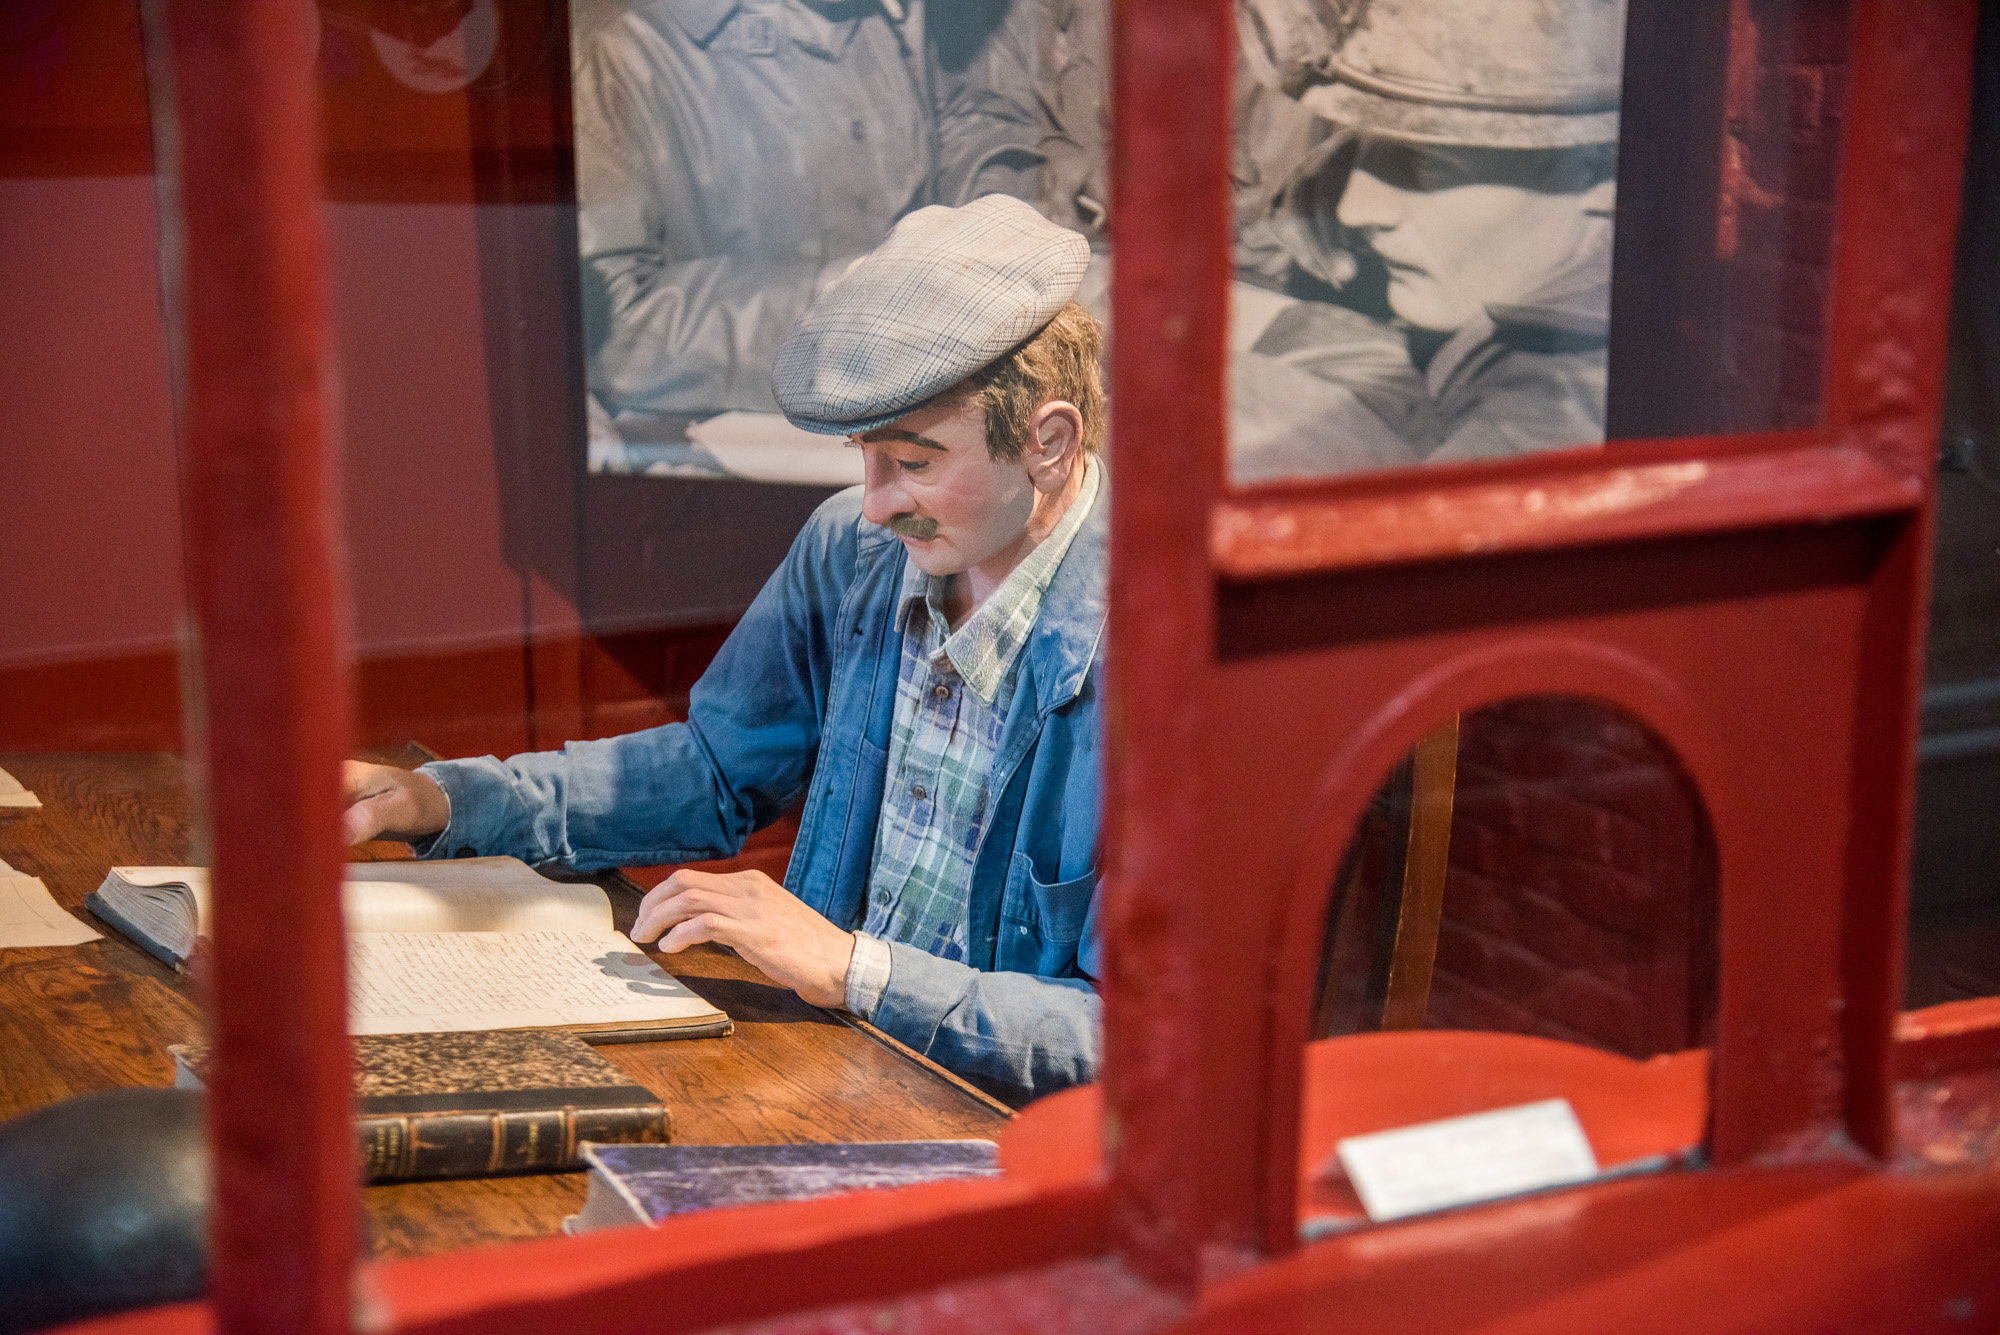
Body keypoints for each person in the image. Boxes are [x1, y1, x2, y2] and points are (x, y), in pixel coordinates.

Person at [343, 196, 1107, 1103]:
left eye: (914, 462)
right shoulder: (854, 551)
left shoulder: (1164, 655)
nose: (873, 503)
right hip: (827, 1081)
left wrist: (855, 969)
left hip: (1006, 1151)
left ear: (1048, 440)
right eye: (864, 457)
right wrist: (446, 799)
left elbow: (1131, 1030)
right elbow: (712, 771)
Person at [1230, 0, 1627, 479]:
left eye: (1425, 167)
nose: (1355, 209)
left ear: (1605, 178)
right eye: (1361, 151)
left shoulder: (1548, 423)